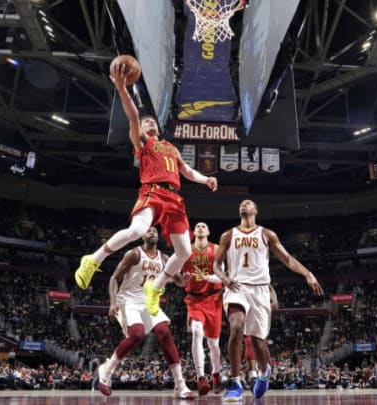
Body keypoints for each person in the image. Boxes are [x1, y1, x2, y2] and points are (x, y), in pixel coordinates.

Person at [73, 61, 217, 291]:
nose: (148, 121)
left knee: (185, 252)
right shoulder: (143, 141)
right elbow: (132, 116)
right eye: (145, 121)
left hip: (175, 200)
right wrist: (122, 88)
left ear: (158, 128)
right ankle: (94, 259)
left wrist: (205, 179)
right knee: (138, 231)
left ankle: (156, 287)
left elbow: (186, 171)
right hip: (154, 190)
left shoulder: (170, 147)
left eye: (151, 120)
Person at [212, 199, 324, 401]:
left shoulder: (266, 234)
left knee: (258, 343)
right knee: (236, 327)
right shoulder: (228, 235)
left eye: (248, 203)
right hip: (237, 287)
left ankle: (264, 372)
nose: (243, 205)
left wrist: (308, 274)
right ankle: (235, 382)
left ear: (255, 210)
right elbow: (216, 265)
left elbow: (288, 259)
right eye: (241, 204)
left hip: (261, 290)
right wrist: (225, 279)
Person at [95, 227, 196, 399]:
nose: (152, 233)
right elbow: (114, 278)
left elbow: (177, 280)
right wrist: (112, 303)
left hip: (149, 302)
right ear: (142, 235)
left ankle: (180, 385)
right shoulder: (134, 254)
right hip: (128, 300)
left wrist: (183, 280)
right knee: (138, 334)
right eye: (148, 231)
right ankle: (107, 369)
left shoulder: (164, 258)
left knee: (164, 332)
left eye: (155, 231)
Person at [172, 222, 224, 395]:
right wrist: (182, 281)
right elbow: (176, 276)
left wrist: (206, 277)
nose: (200, 227)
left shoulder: (216, 249)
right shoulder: (185, 251)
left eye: (204, 226)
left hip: (214, 298)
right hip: (194, 299)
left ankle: (216, 373)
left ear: (208, 231)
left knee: (214, 344)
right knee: (196, 331)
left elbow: (222, 277)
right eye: (198, 226)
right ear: (194, 232)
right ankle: (201, 377)